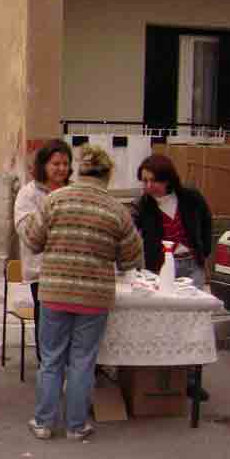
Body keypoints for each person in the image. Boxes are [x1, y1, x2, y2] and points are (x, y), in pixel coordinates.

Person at [22, 145, 144, 441]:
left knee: (51, 360)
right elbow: (131, 258)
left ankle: (43, 423)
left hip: (54, 292)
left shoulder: (54, 200)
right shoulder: (117, 210)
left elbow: (33, 241)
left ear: (80, 171)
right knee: (82, 361)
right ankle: (76, 426)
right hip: (94, 297)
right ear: (108, 175)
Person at [132, 153, 213, 400]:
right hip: (162, 268)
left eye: (153, 181)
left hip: (191, 265)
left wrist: (202, 252)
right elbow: (133, 233)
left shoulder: (190, 198)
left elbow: (207, 224)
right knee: (165, 322)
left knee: (192, 323)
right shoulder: (143, 206)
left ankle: (191, 380)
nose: (148, 186)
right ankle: (164, 377)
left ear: (167, 180)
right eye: (144, 181)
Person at [14, 139, 73, 362]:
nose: (61, 169)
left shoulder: (73, 190)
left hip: (70, 270)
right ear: (44, 165)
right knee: (48, 329)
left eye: (65, 164)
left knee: (69, 325)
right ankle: (48, 368)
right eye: (56, 164)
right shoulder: (28, 194)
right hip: (42, 271)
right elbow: (25, 230)